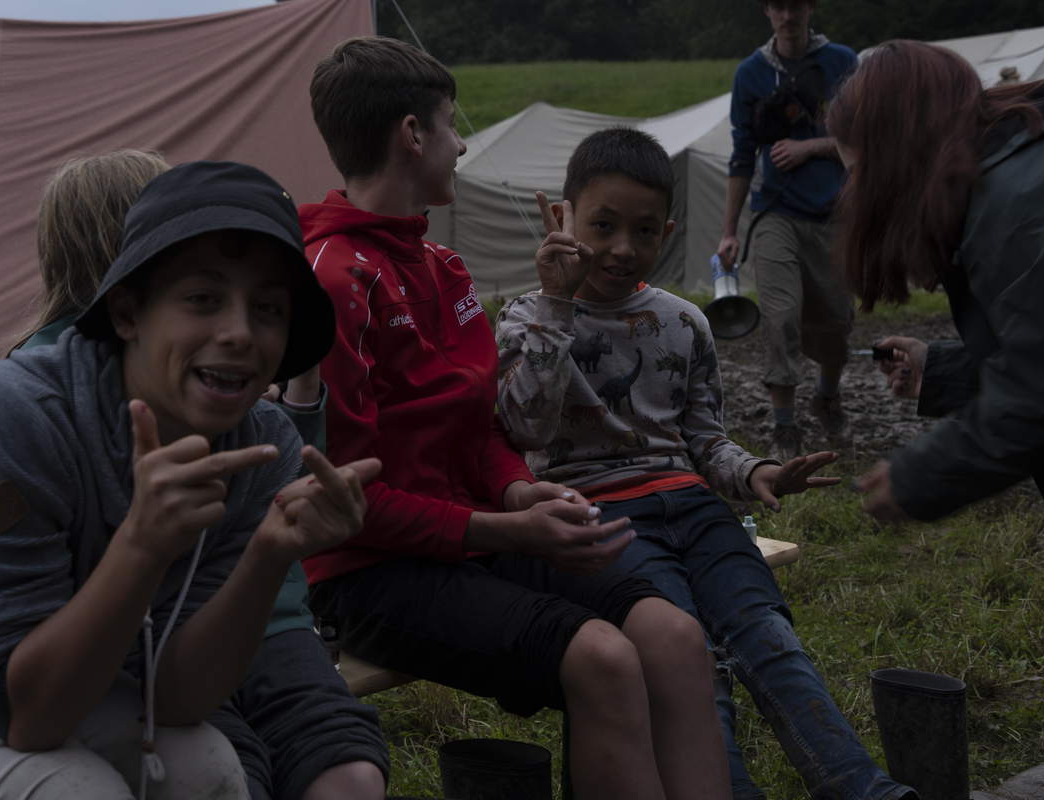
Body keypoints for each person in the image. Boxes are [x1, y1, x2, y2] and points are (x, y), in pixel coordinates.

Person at [299, 36, 732, 800]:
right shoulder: (334, 280)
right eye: (450, 123)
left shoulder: (442, 266)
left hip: (477, 538)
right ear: (412, 134)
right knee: (602, 658)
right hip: (372, 573)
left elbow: (483, 431)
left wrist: (516, 491)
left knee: (673, 636)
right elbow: (347, 504)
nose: (462, 144)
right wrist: (506, 530)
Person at [0, 160, 383, 800]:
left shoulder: (261, 444)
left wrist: (267, 555)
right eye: (202, 298)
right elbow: (29, 716)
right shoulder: (9, 415)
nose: (239, 333)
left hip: (77, 672)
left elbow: (176, 699)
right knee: (79, 792)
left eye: (268, 308)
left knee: (213, 773)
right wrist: (143, 543)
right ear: (126, 312)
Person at [495, 125, 913, 800]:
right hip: (601, 518)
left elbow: (705, 441)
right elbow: (524, 426)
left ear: (666, 231)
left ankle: (865, 790)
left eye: (644, 231)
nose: (623, 247)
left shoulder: (684, 322)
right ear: (564, 219)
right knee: (689, 657)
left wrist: (756, 473)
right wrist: (556, 305)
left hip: (693, 506)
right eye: (602, 225)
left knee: (770, 638)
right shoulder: (528, 318)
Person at [828, 40, 1044, 700]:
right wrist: (942, 372)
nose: (854, 194)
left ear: (896, 156)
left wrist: (919, 476)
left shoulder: (1027, 198)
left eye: (858, 172)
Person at [716, 0, 858, 460]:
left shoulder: (842, 61)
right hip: (775, 212)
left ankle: (827, 398)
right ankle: (785, 426)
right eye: (779, 6)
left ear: (810, 6)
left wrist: (810, 147)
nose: (788, 15)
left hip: (835, 213)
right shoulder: (751, 73)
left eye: (796, 5)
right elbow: (742, 155)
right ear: (767, 11)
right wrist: (729, 232)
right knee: (781, 315)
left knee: (836, 320)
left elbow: (862, 138)